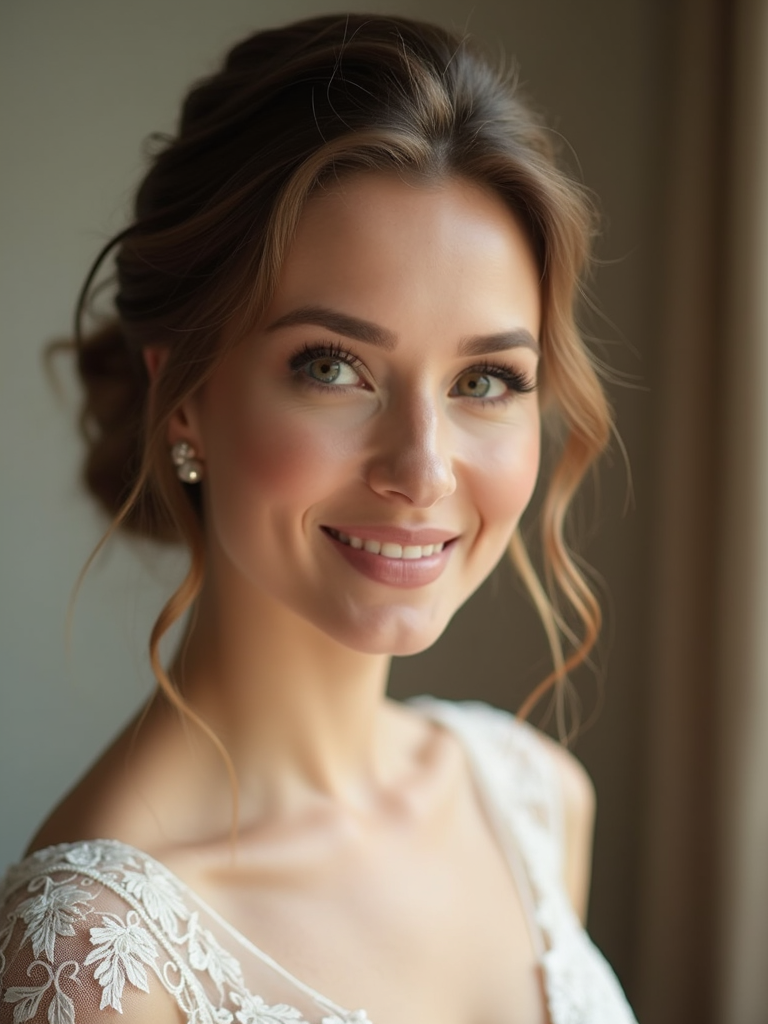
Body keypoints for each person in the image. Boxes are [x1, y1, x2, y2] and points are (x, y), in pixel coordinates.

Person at [0, 14, 638, 1024]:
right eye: (332, 367)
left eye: (487, 378)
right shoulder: (96, 960)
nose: (423, 468)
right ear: (187, 399)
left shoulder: (535, 801)